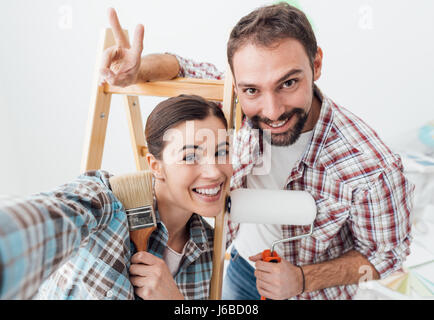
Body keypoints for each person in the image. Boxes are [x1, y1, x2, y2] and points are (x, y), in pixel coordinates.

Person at [100, 3, 415, 300]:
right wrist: (138, 70)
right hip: (239, 268)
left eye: (288, 83)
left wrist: (304, 278)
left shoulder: (373, 168)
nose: (272, 110)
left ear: (316, 63)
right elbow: (181, 67)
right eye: (252, 90)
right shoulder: (235, 99)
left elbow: (385, 257)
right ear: (237, 86)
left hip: (311, 291)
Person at [0, 94, 232, 300]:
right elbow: (50, 218)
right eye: (190, 156)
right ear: (156, 166)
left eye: (222, 152)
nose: (214, 171)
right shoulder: (107, 201)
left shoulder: (210, 248)